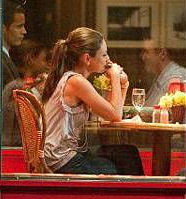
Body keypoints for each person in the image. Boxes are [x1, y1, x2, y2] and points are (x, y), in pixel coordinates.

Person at [42, 27, 144, 175]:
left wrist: (123, 85)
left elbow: (109, 114)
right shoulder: (76, 82)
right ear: (87, 59)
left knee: (128, 153)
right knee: (124, 165)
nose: (108, 59)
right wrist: (115, 77)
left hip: (63, 156)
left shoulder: (74, 79)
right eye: (104, 54)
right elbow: (115, 115)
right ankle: (140, 191)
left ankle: (139, 191)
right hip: (61, 161)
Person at [2, 40, 49, 146]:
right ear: (31, 59)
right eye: (44, 60)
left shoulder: (29, 84)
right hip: (16, 143)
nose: (47, 65)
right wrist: (38, 91)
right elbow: (15, 114)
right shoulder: (14, 86)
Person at [140, 40, 186, 107]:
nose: (143, 57)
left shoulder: (176, 78)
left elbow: (175, 112)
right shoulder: (160, 76)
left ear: (163, 54)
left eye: (146, 52)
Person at [1, 0, 27, 87]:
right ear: (3, 29)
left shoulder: (4, 57)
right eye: (19, 26)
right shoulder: (0, 60)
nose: (24, 31)